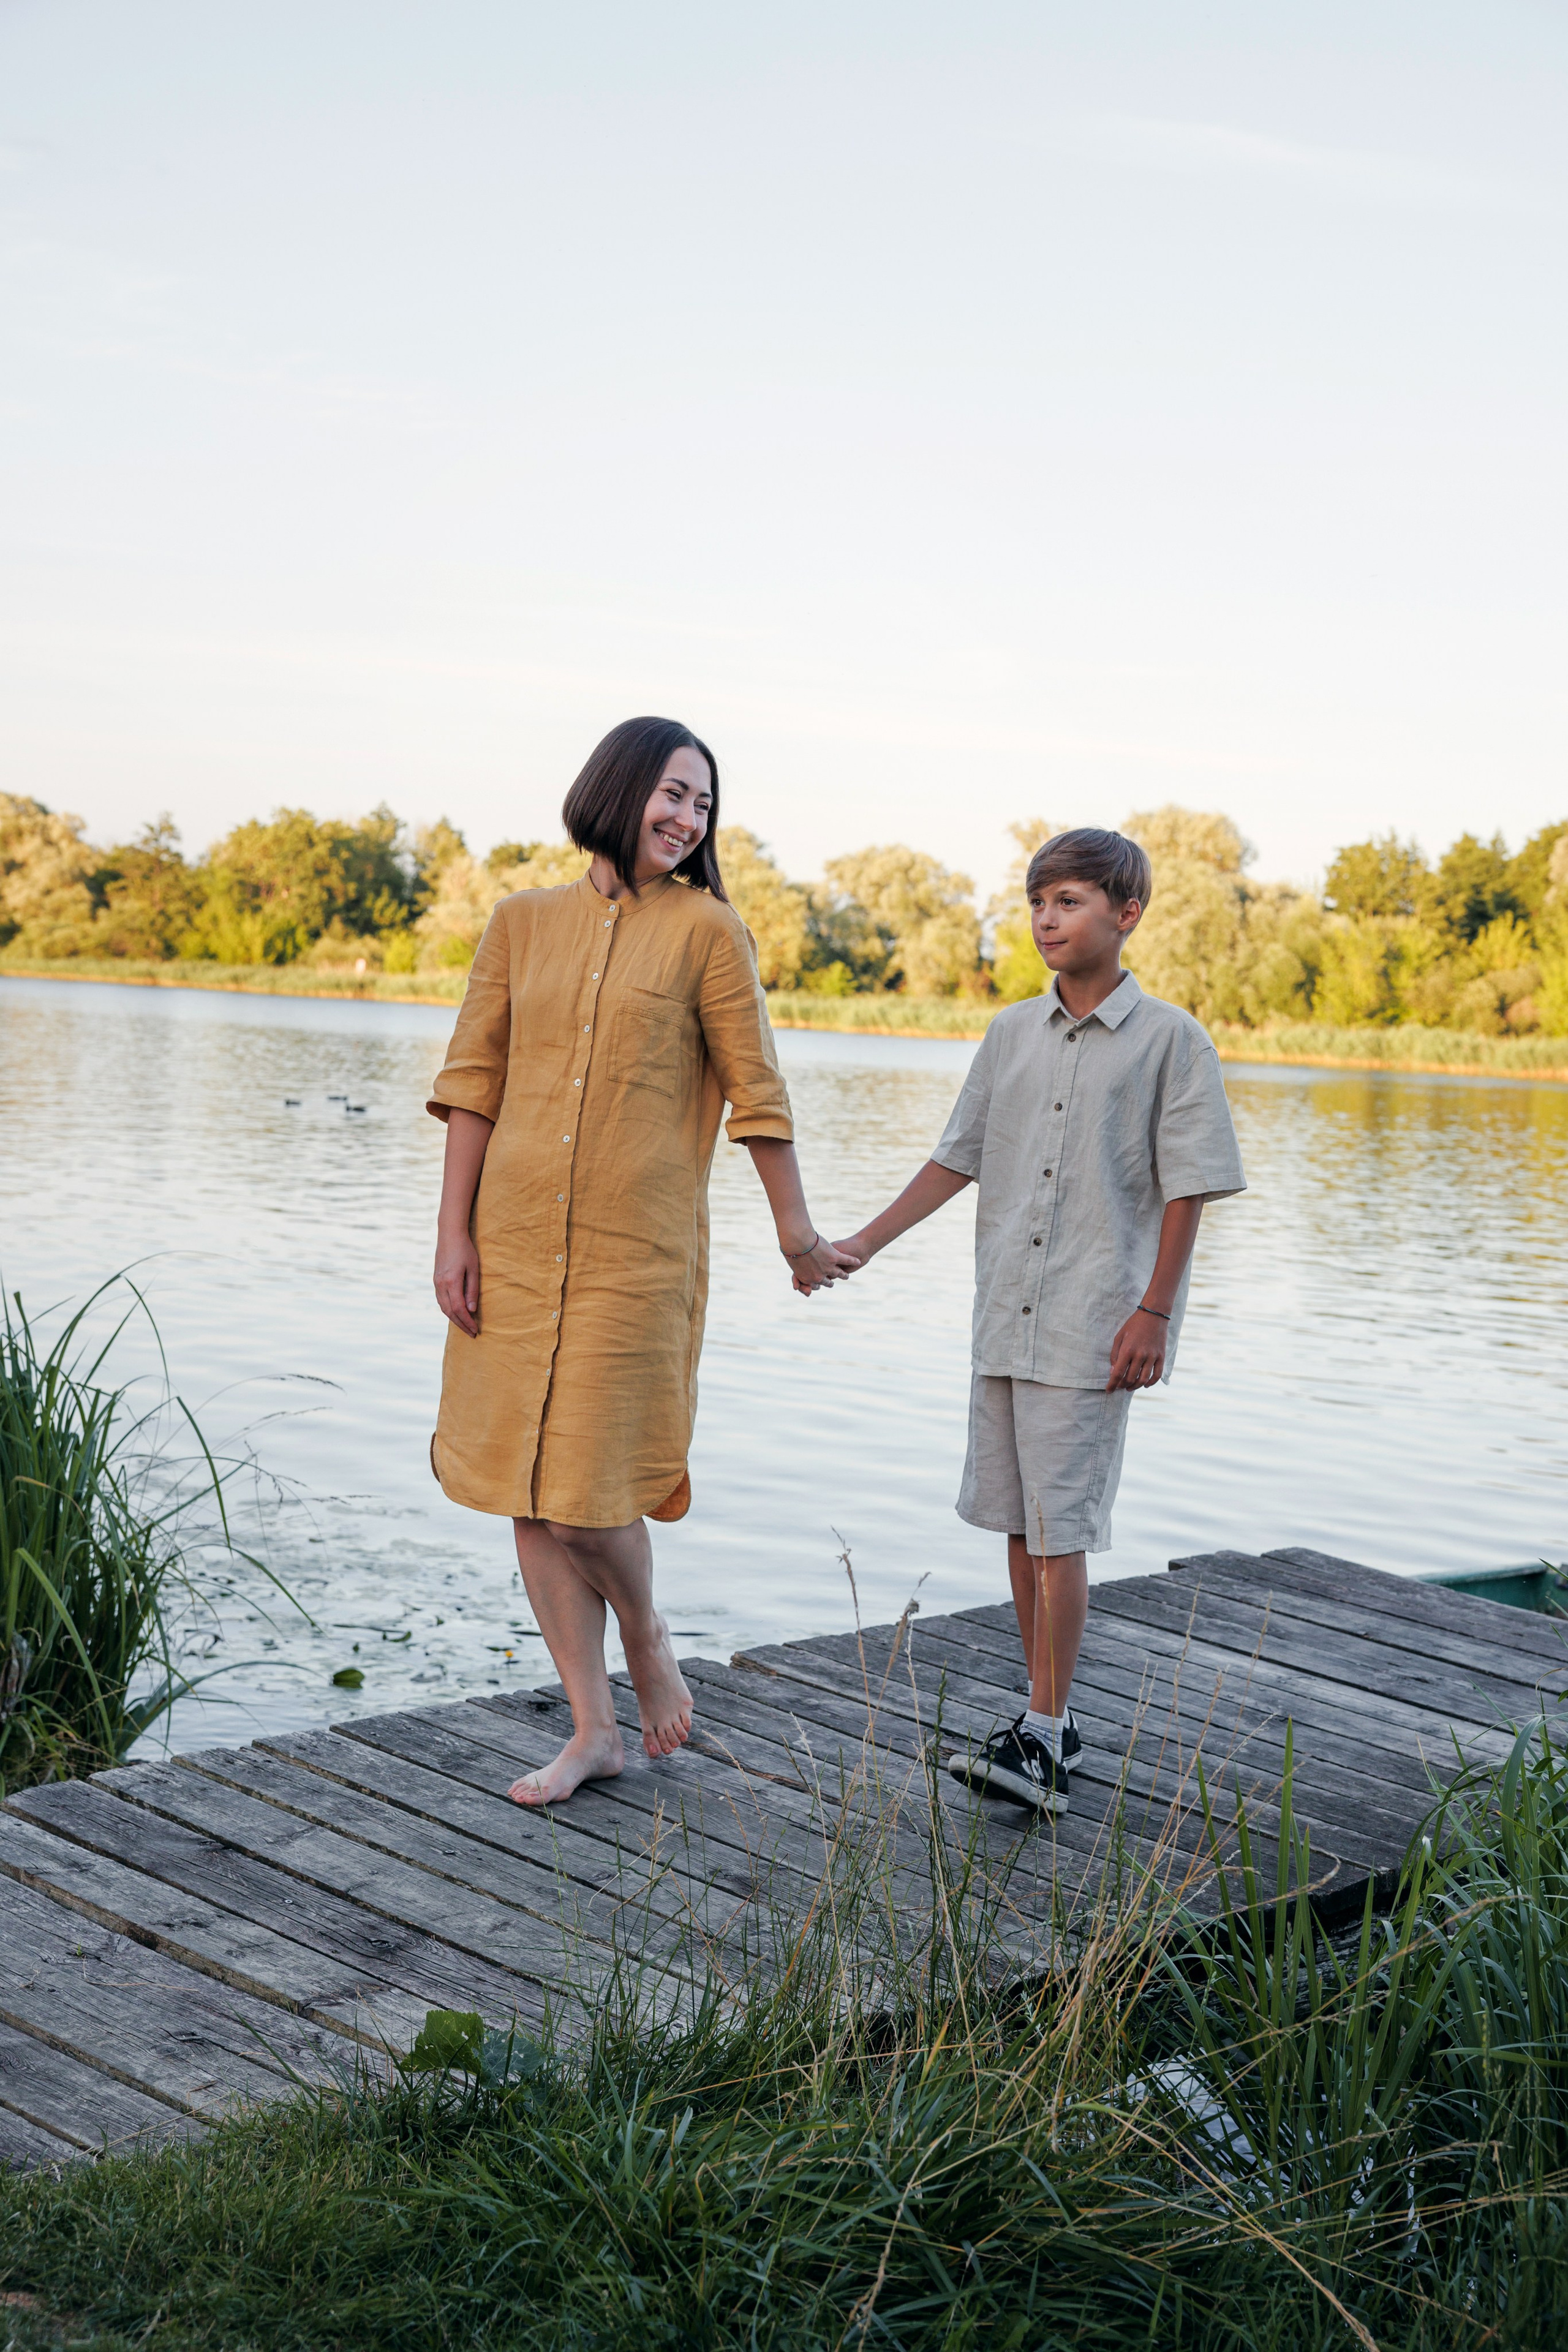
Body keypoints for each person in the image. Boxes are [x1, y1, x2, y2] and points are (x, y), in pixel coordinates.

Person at [428, 715, 855, 1806]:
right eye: (673, 793)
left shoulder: (710, 931)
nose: (687, 818)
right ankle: (592, 1730)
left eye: (703, 804)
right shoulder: (521, 922)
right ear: (618, 789)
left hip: (635, 1256)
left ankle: (646, 1630)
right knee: (528, 1490)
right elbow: (473, 1083)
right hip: (514, 1247)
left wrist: (795, 1233)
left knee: (584, 1496)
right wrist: (453, 1233)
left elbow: (757, 1090)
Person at [834, 827, 1245, 1814]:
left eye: (1068, 901)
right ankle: (1043, 1718)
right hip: (1005, 1319)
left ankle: (1049, 1734)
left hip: (1096, 1322)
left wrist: (1155, 1311)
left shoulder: (1172, 1041)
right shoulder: (1009, 1034)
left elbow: (1190, 1189)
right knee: (1021, 1527)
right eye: (1037, 903)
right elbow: (956, 1158)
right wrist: (863, 1244)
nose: (1047, 920)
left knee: (1063, 1534)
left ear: (1126, 913)